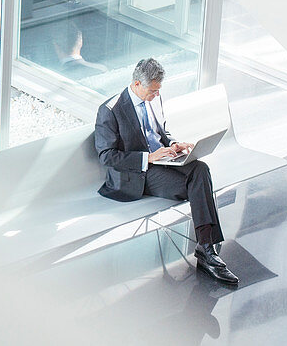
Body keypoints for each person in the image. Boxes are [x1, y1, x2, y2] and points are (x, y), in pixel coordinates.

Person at [94, 57, 239, 285]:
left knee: (201, 168)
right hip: (137, 174)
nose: (156, 96)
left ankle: (206, 246)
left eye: (158, 91)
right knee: (197, 182)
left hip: (163, 160)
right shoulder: (110, 110)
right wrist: (149, 157)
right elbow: (106, 156)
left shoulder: (153, 98)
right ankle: (207, 248)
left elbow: (160, 132)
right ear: (136, 84)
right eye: (152, 91)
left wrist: (173, 145)